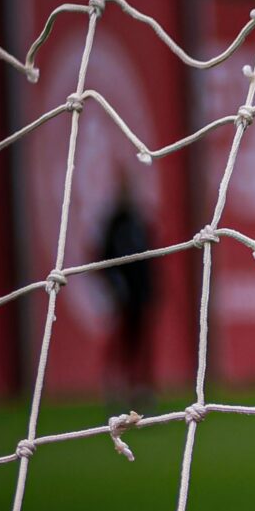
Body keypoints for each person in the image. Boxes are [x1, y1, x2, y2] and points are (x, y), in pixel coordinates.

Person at [94, 164, 157, 410]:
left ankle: (142, 390)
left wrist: (151, 289)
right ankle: (116, 388)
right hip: (122, 297)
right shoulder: (114, 223)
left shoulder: (139, 221)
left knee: (142, 344)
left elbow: (150, 260)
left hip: (141, 296)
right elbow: (103, 256)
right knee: (121, 343)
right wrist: (114, 284)